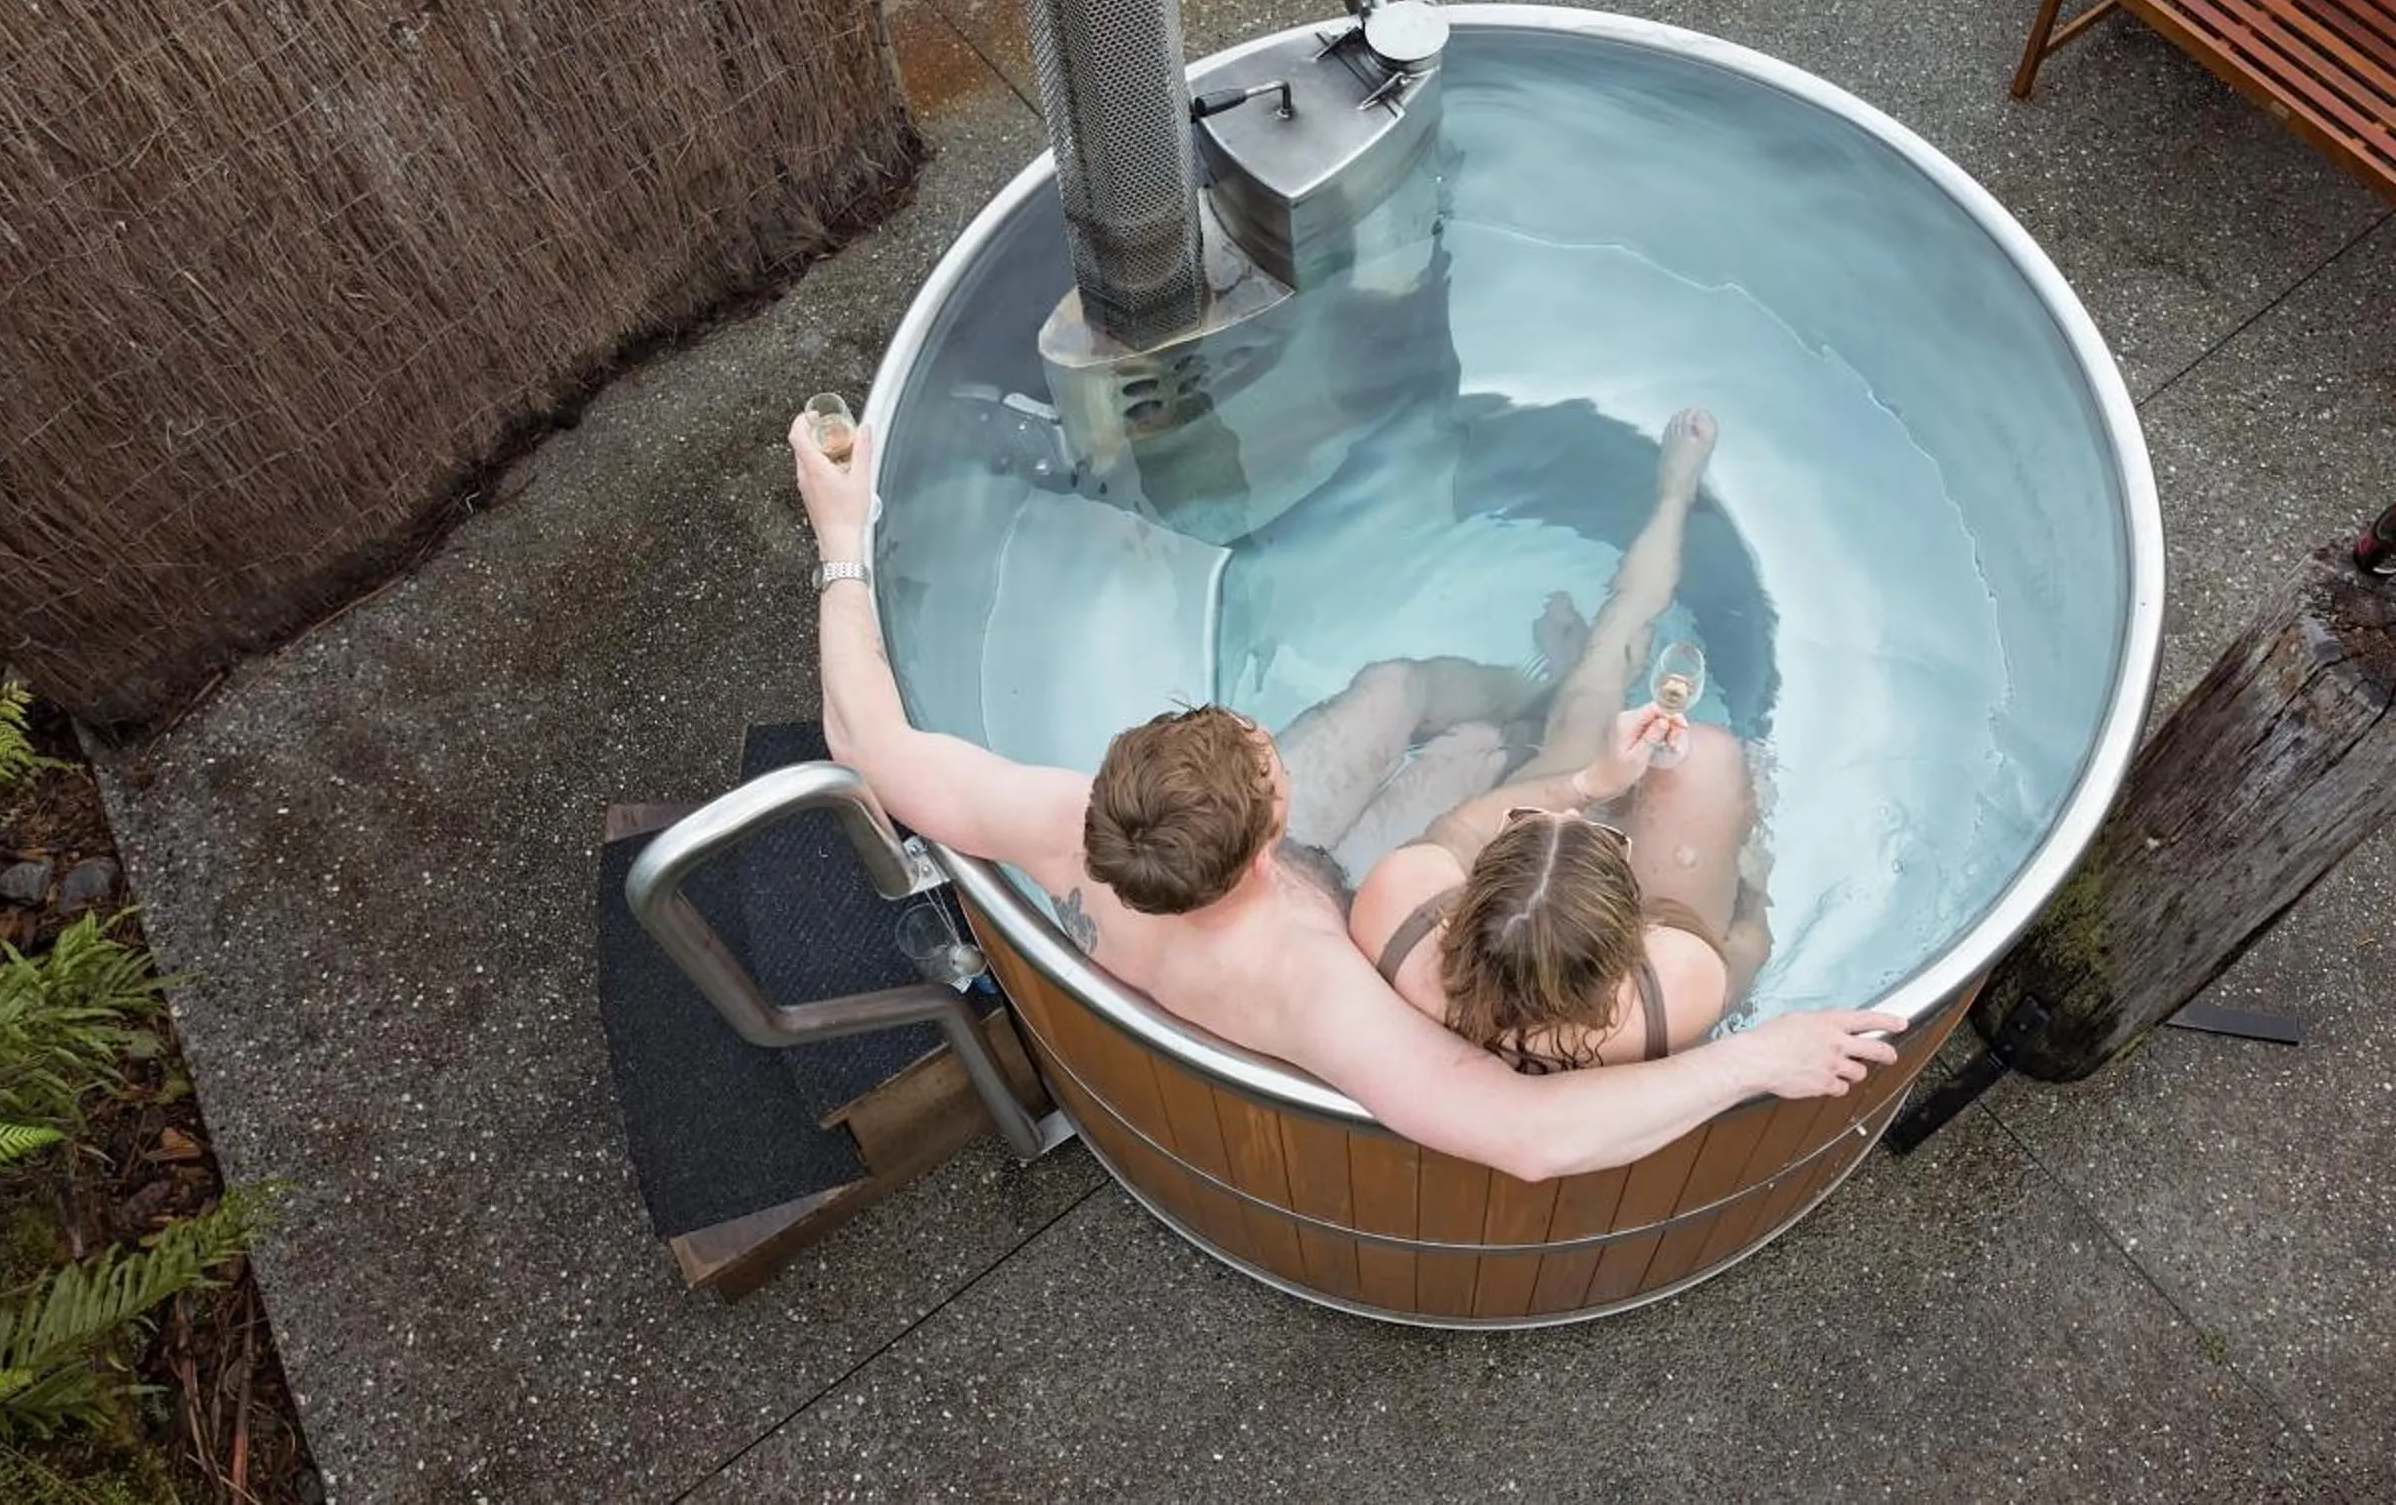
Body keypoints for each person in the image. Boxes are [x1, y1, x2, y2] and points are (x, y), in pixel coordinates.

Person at [789, 411, 1898, 1186]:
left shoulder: (1064, 823)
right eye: (1264, 754)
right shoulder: (1319, 987)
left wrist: (842, 538)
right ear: (1272, 838)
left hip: (1274, 896)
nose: (1271, 741)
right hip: (1320, 916)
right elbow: (1529, 1139)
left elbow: (866, 738)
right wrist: (1755, 1059)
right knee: (1485, 753)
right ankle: (1539, 708)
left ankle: (1535, 695)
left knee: (1408, 698)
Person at [1348, 407, 1772, 1070]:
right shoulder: (1672, 996)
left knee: (1584, 707)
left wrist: (1587, 783)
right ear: (1629, 942)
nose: (1596, 818)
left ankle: (1658, 523)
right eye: (1602, 828)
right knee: (1712, 763)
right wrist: (1756, 869)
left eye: (1527, 825)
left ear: (1462, 911)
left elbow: (1458, 830)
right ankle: (1674, 499)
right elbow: (1747, 943)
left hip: (1551, 943)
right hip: (1640, 946)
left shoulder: (1398, 919)